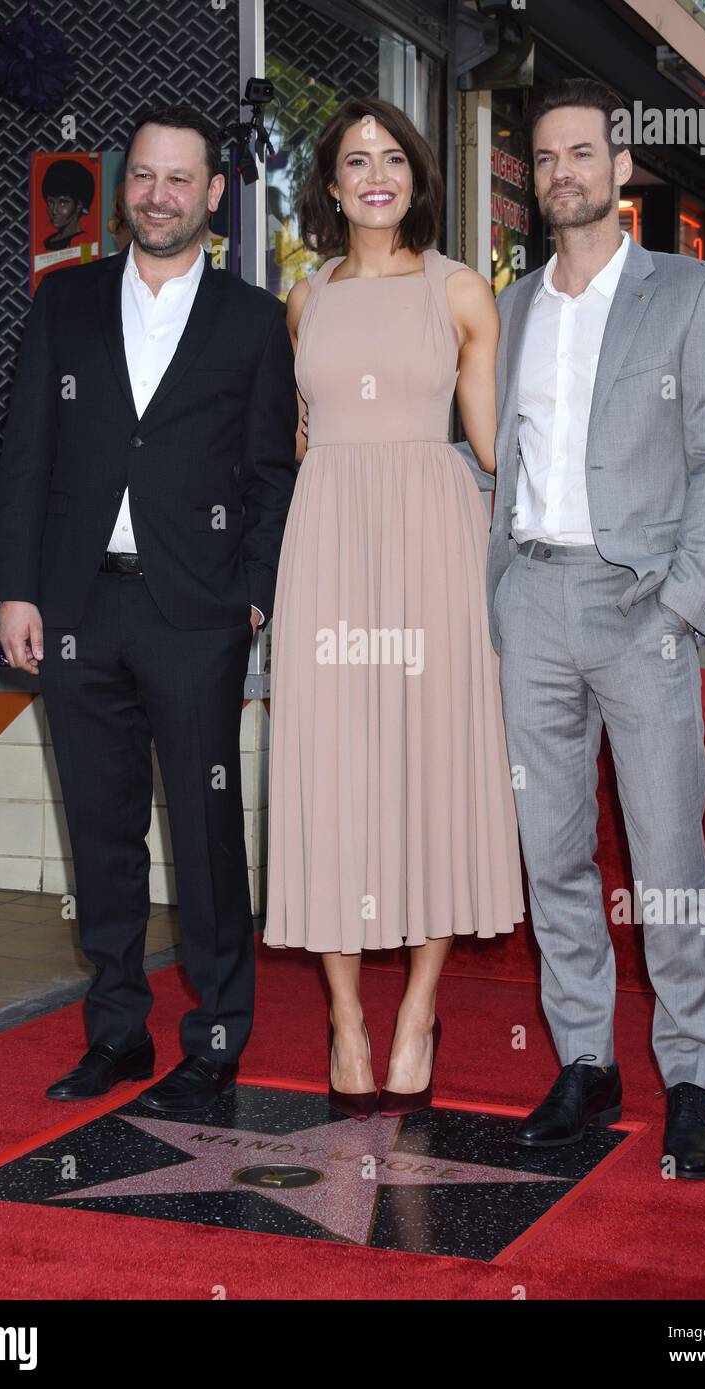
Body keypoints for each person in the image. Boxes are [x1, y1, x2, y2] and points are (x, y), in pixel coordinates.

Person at [0, 105, 297, 1111]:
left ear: (214, 194)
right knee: (101, 829)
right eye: (143, 178)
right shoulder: (63, 302)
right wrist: (16, 589)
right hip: (76, 609)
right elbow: (22, 457)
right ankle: (116, 1031)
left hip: (195, 617)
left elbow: (268, 473)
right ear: (125, 190)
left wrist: (252, 600)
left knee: (206, 834)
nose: (159, 196)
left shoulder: (253, 320)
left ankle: (213, 1037)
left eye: (180, 180)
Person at [485, 78, 705, 1177]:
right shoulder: (510, 309)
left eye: (581, 153)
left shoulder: (688, 294)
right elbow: (489, 455)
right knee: (548, 851)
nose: (563, 174)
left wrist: (683, 600)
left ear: (620, 164)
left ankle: (689, 1075)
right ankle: (585, 1059)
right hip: (532, 602)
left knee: (666, 851)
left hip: (641, 604)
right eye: (545, 158)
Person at [263, 97, 525, 1119]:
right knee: (328, 770)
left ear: (416, 176)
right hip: (327, 543)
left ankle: (416, 1007)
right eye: (353, 160)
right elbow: (299, 438)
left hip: (429, 544)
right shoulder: (303, 297)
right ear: (328, 185)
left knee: (428, 767)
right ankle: (343, 1013)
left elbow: (494, 448)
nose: (375, 174)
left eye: (391, 159)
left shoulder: (461, 293)